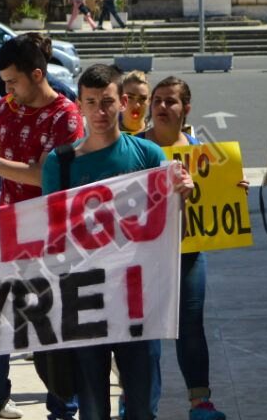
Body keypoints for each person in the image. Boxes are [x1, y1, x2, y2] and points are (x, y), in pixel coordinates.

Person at [41, 65, 189, 420]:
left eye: (107, 102)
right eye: (91, 102)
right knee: (92, 409)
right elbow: (51, 238)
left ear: (123, 103)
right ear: (79, 106)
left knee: (142, 407)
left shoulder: (149, 157)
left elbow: (171, 236)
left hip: (139, 300)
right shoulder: (58, 165)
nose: (100, 112)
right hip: (85, 300)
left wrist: (181, 199)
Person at [0, 32, 83, 420]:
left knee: (52, 332)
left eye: (12, 81)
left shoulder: (67, 116)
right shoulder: (10, 108)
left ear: (37, 74)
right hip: (5, 232)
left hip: (52, 240)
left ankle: (62, 407)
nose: (6, 89)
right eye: (5, 83)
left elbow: (45, 176)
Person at [140, 77, 236, 420]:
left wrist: (231, 188)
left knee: (191, 326)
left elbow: (219, 197)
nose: (162, 107)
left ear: (187, 109)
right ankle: (136, 401)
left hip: (188, 253)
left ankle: (200, 403)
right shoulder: (134, 147)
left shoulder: (200, 150)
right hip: (144, 257)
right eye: (158, 101)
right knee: (143, 330)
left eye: (171, 101)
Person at [120, 70, 151, 135]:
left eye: (142, 98)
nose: (136, 105)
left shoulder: (157, 136)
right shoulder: (108, 136)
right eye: (130, 97)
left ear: (149, 101)